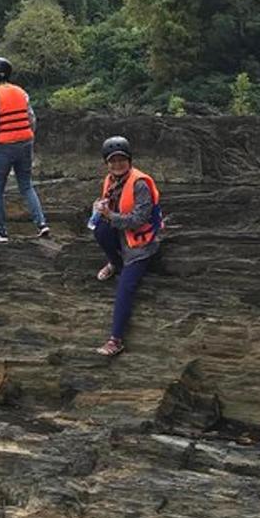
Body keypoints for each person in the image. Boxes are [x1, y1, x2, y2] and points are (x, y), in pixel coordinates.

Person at [92, 136, 162, 357]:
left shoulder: (139, 183)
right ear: (107, 163)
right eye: (112, 161)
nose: (117, 164)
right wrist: (100, 210)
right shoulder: (112, 181)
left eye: (121, 159)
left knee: (125, 287)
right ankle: (115, 262)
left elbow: (139, 219)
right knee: (100, 230)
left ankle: (116, 340)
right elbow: (111, 213)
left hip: (142, 244)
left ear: (129, 160)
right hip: (124, 236)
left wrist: (109, 215)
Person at [0, 57, 49, 242]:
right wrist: (29, 134)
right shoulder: (21, 91)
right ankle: (42, 224)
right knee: (26, 185)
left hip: (5, 145)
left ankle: (0, 231)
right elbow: (32, 117)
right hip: (26, 142)